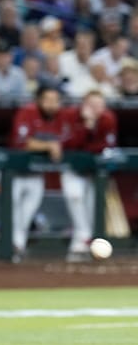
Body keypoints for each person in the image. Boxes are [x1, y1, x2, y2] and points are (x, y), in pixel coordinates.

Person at [9, 84, 66, 262]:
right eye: (47, 100)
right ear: (39, 100)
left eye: (55, 101)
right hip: (13, 172)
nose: (51, 104)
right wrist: (49, 146)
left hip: (35, 175)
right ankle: (12, 248)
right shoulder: (27, 112)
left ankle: (17, 247)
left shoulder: (60, 118)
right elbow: (22, 142)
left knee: (26, 216)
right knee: (12, 213)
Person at [61, 90, 118, 262]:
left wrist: (92, 128)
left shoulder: (108, 118)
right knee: (74, 196)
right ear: (84, 104)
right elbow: (68, 144)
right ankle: (83, 237)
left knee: (94, 207)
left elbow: (106, 146)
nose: (96, 109)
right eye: (92, 105)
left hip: (96, 172)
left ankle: (87, 242)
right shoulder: (71, 115)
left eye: (99, 105)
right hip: (73, 168)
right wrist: (86, 127)